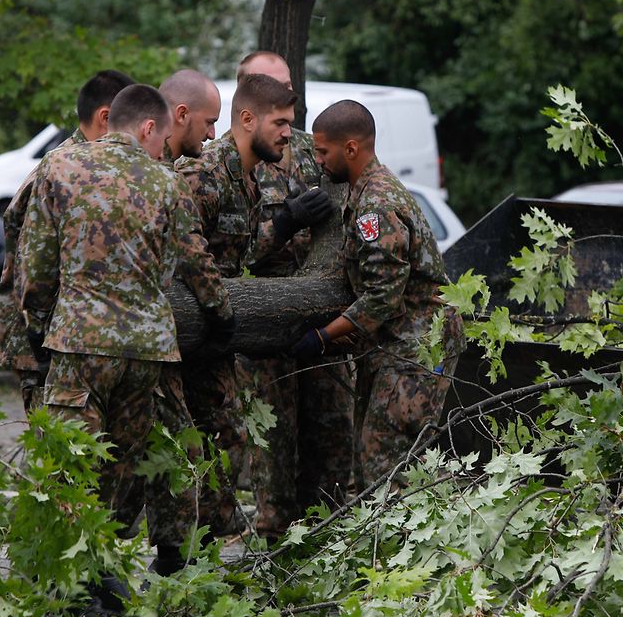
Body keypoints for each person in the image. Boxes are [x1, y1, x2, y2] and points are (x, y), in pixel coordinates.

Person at [16, 84, 222, 586]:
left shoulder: (58, 170)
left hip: (79, 342)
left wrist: (39, 328)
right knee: (120, 465)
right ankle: (105, 569)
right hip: (147, 352)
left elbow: (37, 267)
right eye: (163, 139)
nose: (162, 150)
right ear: (148, 128)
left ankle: (76, 578)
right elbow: (178, 264)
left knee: (73, 464)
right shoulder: (167, 184)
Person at [177, 72, 332, 536]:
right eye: (281, 123)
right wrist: (217, 307)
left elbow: (237, 257)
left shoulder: (245, 180)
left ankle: (208, 546)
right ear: (247, 119)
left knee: (227, 436)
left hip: (212, 336)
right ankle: (177, 548)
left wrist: (283, 224)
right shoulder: (202, 174)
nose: (289, 133)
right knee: (190, 445)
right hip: (183, 332)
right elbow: (182, 248)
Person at [295, 99, 465, 490]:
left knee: (388, 457)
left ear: (351, 148)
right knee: (376, 456)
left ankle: (410, 546)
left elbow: (382, 297)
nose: (318, 160)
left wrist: (323, 336)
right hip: (396, 342)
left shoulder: (377, 204)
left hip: (419, 344)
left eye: (323, 151)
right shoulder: (362, 191)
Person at [232, 51, 353, 539]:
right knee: (273, 449)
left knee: (331, 437)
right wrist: (280, 225)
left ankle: (330, 540)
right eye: (271, 88)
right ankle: (274, 547)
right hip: (264, 328)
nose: (286, 100)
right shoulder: (232, 161)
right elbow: (224, 256)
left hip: (323, 324)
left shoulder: (312, 150)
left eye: (289, 90)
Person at [0, 69, 132, 413]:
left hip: (69, 337)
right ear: (106, 119)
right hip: (42, 342)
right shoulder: (57, 173)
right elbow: (31, 271)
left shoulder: (94, 169)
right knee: (57, 454)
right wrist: (41, 336)